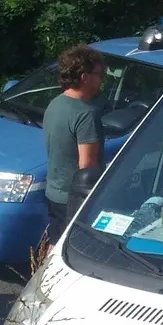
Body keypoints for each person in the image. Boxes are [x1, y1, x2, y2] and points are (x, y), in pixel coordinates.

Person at [43, 45, 107, 236]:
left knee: (55, 242)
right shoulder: (85, 114)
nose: (101, 78)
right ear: (84, 77)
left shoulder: (55, 103)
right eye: (99, 73)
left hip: (54, 192)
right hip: (75, 198)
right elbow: (87, 165)